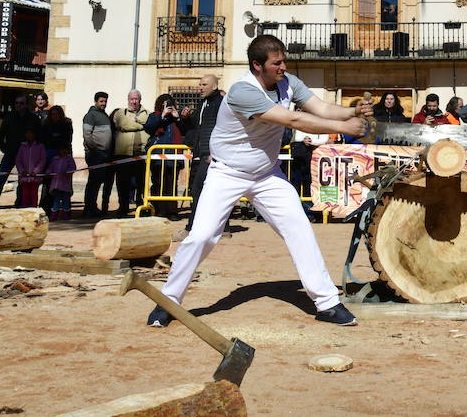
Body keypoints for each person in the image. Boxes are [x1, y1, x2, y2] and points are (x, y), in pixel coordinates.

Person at [150, 35, 373, 329]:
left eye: (283, 60)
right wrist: (343, 127)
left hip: (267, 175)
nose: (283, 66)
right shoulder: (243, 91)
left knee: (299, 228)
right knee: (202, 236)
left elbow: (320, 108)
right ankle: (168, 301)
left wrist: (352, 111)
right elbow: (292, 120)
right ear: (257, 65)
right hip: (227, 173)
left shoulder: (288, 82)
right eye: (276, 62)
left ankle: (327, 303)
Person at [181, 74, 223, 230]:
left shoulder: (220, 104)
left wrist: (216, 153)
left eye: (204, 84)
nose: (200, 87)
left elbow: (224, 129)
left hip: (211, 156)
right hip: (200, 154)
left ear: (214, 86)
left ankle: (192, 228)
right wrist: (185, 119)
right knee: (207, 191)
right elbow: (194, 128)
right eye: (200, 84)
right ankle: (221, 227)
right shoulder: (202, 104)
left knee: (199, 190)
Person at [0, 95, 34, 208]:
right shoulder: (9, 117)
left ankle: (19, 203)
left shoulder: (33, 118)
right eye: (17, 103)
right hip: (10, 153)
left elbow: (37, 136)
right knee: (1, 178)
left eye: (21, 103)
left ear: (26, 105)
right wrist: (4, 148)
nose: (19, 105)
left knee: (23, 180)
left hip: (26, 154)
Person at [144, 94, 187, 217]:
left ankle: (172, 211)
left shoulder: (176, 118)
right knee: (158, 183)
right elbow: (149, 128)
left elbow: (186, 131)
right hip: (158, 156)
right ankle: (159, 210)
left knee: (172, 184)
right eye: (165, 104)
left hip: (174, 157)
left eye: (170, 104)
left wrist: (178, 118)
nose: (168, 106)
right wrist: (162, 116)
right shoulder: (154, 116)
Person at [110, 90, 148, 217]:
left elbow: (146, 122)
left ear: (140, 100)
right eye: (131, 99)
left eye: (136, 99)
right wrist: (140, 126)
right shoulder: (121, 112)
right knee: (122, 183)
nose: (134, 101)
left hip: (141, 153)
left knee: (141, 183)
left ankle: (141, 206)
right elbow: (123, 124)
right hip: (123, 154)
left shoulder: (146, 113)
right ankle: (123, 207)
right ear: (128, 100)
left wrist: (133, 123)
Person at [81, 91, 115, 216]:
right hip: (95, 154)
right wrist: (94, 149)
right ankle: (89, 208)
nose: (104, 103)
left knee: (98, 181)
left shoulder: (104, 115)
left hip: (104, 153)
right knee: (94, 182)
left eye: (105, 101)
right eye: (101, 101)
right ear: (96, 101)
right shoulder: (91, 115)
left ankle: (92, 207)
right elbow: (87, 134)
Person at [14, 127, 47, 209]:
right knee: (24, 195)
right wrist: (22, 170)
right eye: (27, 133)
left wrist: (36, 171)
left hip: (35, 177)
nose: (29, 135)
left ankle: (34, 212)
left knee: (34, 195)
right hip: (24, 176)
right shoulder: (22, 146)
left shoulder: (40, 146)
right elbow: (18, 160)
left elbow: (43, 160)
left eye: (31, 133)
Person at [47, 151, 77, 220]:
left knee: (66, 200)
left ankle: (66, 215)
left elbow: (73, 168)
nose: (63, 152)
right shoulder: (55, 159)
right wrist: (48, 172)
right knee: (56, 200)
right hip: (56, 184)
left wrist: (67, 172)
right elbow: (51, 168)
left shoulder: (69, 159)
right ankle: (54, 215)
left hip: (65, 184)